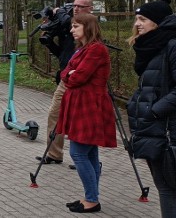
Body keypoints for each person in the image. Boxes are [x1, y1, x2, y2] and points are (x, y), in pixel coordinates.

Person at [55, 13, 116, 213]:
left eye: (75, 26)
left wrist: (71, 74)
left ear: (87, 28)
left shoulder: (96, 49)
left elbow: (77, 77)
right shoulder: (83, 49)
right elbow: (65, 73)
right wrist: (69, 73)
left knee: (78, 153)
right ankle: (91, 197)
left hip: (90, 106)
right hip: (81, 104)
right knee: (89, 153)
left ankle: (92, 199)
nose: (72, 30)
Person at [126, 0, 176, 218]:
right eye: (137, 19)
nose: (138, 24)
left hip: (169, 130)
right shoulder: (151, 46)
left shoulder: (173, 45)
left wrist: (154, 110)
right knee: (165, 187)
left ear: (157, 22)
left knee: (168, 187)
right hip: (153, 129)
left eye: (143, 19)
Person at [37, 0, 93, 167]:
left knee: (82, 119)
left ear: (89, 9)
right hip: (66, 77)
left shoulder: (90, 26)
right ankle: (54, 153)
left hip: (83, 81)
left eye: (80, 6)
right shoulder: (69, 26)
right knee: (55, 113)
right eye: (74, 6)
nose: (76, 9)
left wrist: (58, 11)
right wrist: (49, 43)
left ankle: (87, 159)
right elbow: (63, 53)